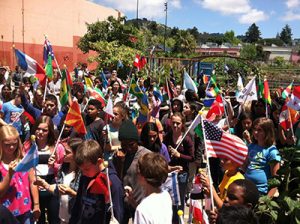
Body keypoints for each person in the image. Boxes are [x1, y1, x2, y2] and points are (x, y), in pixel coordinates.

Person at [69, 140, 124, 224]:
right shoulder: (85, 176)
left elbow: (117, 213)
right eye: (81, 170)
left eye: (86, 169)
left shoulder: (112, 182)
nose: (83, 173)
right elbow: (78, 205)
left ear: (99, 162)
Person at [25, 115, 65, 224]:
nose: (40, 132)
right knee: (39, 220)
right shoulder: (28, 146)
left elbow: (64, 170)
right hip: (34, 187)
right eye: (38, 129)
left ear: (50, 131)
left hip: (51, 186)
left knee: (54, 219)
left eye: (44, 130)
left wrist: (55, 165)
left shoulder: (58, 147)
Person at [34, 138, 83, 224]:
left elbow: (85, 198)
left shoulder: (83, 174)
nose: (63, 153)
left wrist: (71, 192)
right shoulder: (62, 169)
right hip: (62, 217)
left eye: (67, 152)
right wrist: (45, 184)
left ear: (77, 154)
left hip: (76, 218)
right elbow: (58, 190)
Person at [0, 125, 40, 224]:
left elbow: (32, 182)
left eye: (14, 143)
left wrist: (36, 204)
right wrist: (9, 174)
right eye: (7, 144)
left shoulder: (24, 158)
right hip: (6, 214)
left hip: (25, 210)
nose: (12, 147)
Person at [117, 119, 151, 223]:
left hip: (140, 203)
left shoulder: (146, 156)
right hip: (124, 203)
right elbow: (118, 177)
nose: (128, 148)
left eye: (131, 144)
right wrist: (121, 162)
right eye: (124, 145)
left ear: (137, 141)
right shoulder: (119, 155)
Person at [163, 112, 194, 222]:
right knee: (168, 200)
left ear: (183, 124)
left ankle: (178, 221)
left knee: (179, 201)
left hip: (182, 174)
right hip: (169, 174)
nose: (175, 125)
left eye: (178, 123)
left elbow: (192, 157)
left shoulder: (186, 139)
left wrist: (179, 155)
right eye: (173, 123)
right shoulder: (167, 137)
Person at [244, 117, 281, 196]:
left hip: (261, 192)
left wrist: (266, 201)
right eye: (254, 129)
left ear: (267, 132)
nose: (255, 132)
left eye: (259, 130)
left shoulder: (272, 152)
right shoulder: (251, 146)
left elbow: (275, 180)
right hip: (247, 188)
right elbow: (246, 166)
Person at [134, 153, 172, 224]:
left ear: (143, 178)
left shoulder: (142, 209)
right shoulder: (166, 195)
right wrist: (133, 202)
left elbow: (146, 211)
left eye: (138, 172)